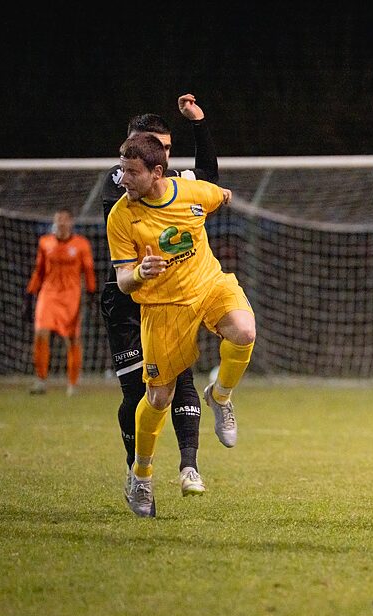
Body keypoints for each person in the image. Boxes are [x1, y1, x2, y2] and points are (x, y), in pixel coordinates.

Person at [107, 132, 255, 518]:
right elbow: (123, 281)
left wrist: (224, 195)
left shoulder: (189, 193)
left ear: (157, 172)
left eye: (132, 172)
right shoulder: (121, 216)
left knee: (244, 331)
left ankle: (220, 396)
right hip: (163, 307)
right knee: (159, 398)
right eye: (122, 170)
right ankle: (141, 475)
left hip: (208, 285)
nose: (124, 178)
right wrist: (140, 272)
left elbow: (218, 194)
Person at [99, 94, 219, 507]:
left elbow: (208, 179)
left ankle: (189, 466)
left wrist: (199, 124)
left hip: (168, 296)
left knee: (180, 380)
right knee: (138, 393)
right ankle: (137, 472)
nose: (163, 156)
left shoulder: (165, 180)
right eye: (155, 147)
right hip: (127, 301)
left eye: (167, 149)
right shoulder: (121, 184)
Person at [24, 208, 96, 395]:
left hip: (71, 296)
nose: (61, 223)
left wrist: (91, 294)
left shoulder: (81, 244)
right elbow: (39, 271)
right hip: (48, 294)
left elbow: (88, 271)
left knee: (73, 338)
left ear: (71, 222)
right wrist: (30, 293)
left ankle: (73, 384)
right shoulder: (45, 242)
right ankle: (41, 380)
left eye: (64, 219)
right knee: (40, 333)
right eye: (58, 219)